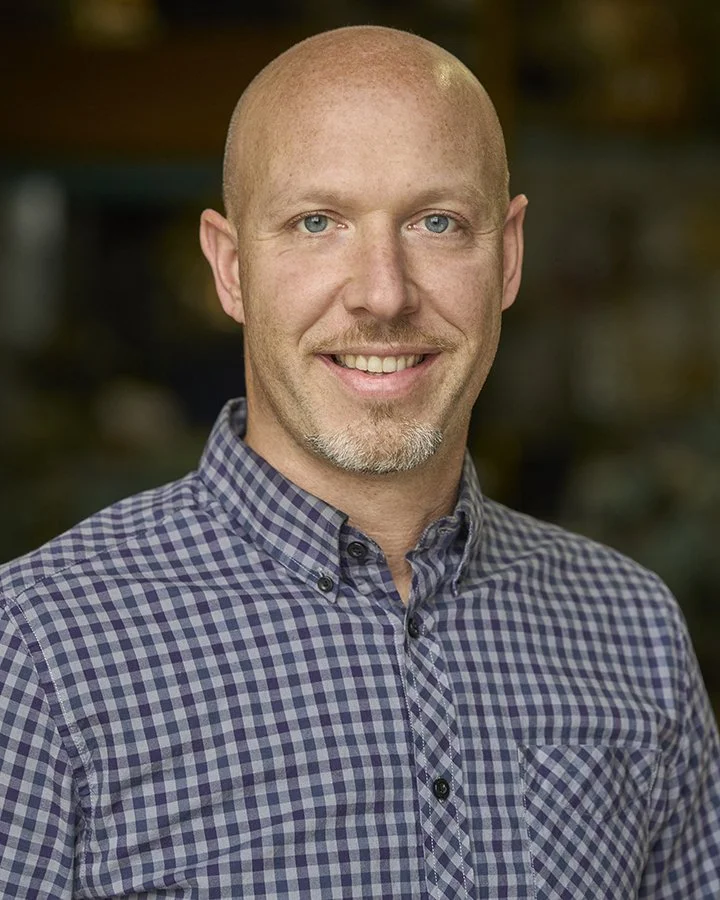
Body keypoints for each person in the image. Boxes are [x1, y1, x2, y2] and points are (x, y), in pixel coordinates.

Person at [1, 25, 718, 899]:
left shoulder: (633, 629)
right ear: (230, 267)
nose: (383, 293)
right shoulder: (41, 650)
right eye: (317, 222)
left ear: (509, 257)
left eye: (436, 222)